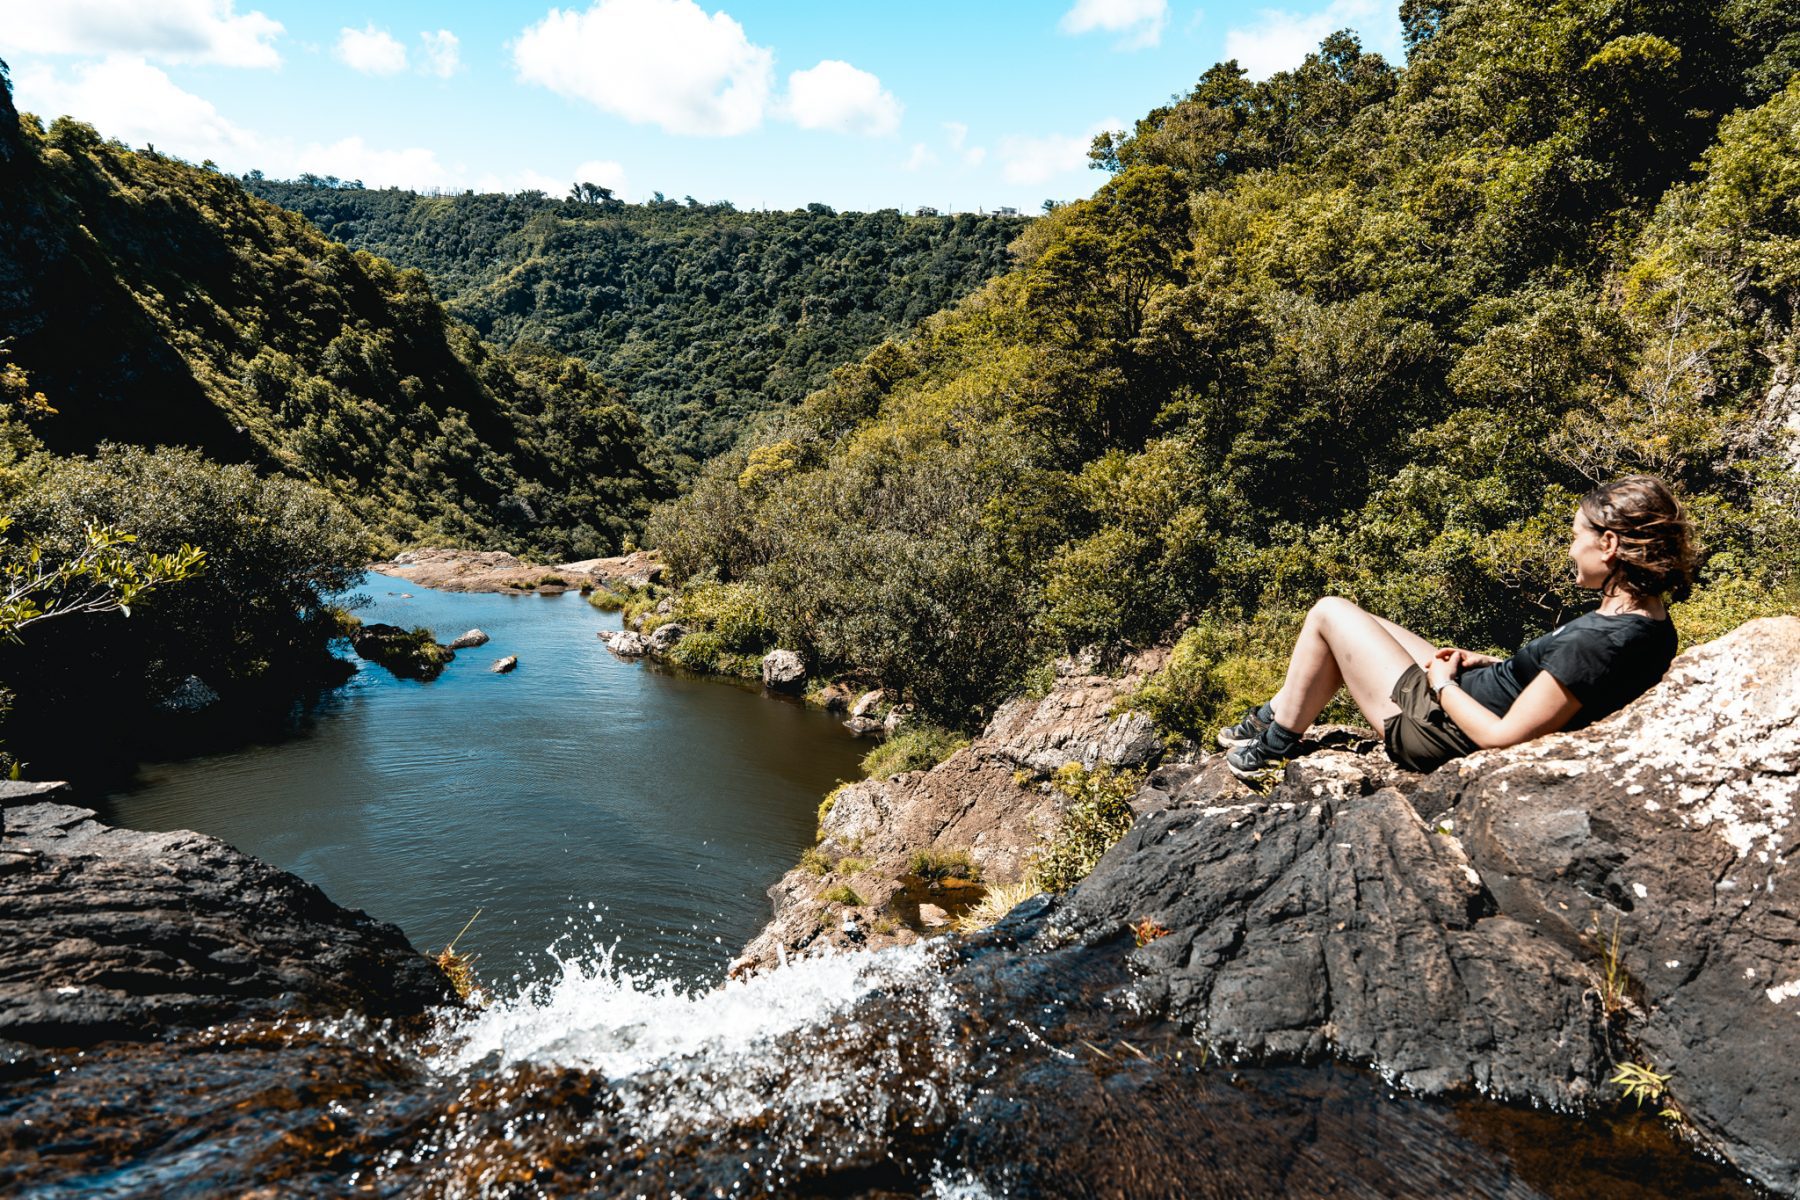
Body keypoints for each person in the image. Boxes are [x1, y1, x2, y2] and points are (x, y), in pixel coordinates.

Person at [1219, 475, 1698, 778]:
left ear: (1609, 544)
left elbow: (1503, 737)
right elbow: (1562, 685)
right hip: (1462, 697)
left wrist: (1445, 686)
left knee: (1328, 613)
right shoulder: (1645, 621)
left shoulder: (1600, 642)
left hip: (1436, 731)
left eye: (1576, 538)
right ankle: (1277, 713)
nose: (1571, 549)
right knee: (1364, 622)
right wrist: (1487, 662)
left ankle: (1275, 739)